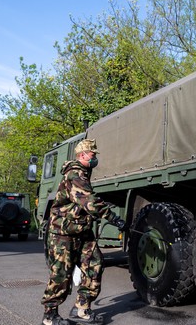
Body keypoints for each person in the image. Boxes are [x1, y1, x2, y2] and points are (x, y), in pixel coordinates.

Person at [41, 139, 127, 325]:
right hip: (63, 232)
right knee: (61, 273)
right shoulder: (75, 174)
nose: (95, 158)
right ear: (82, 155)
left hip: (81, 230)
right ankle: (50, 315)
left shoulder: (83, 173)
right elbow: (89, 202)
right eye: (93, 155)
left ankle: (81, 308)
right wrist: (114, 218)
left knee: (95, 264)